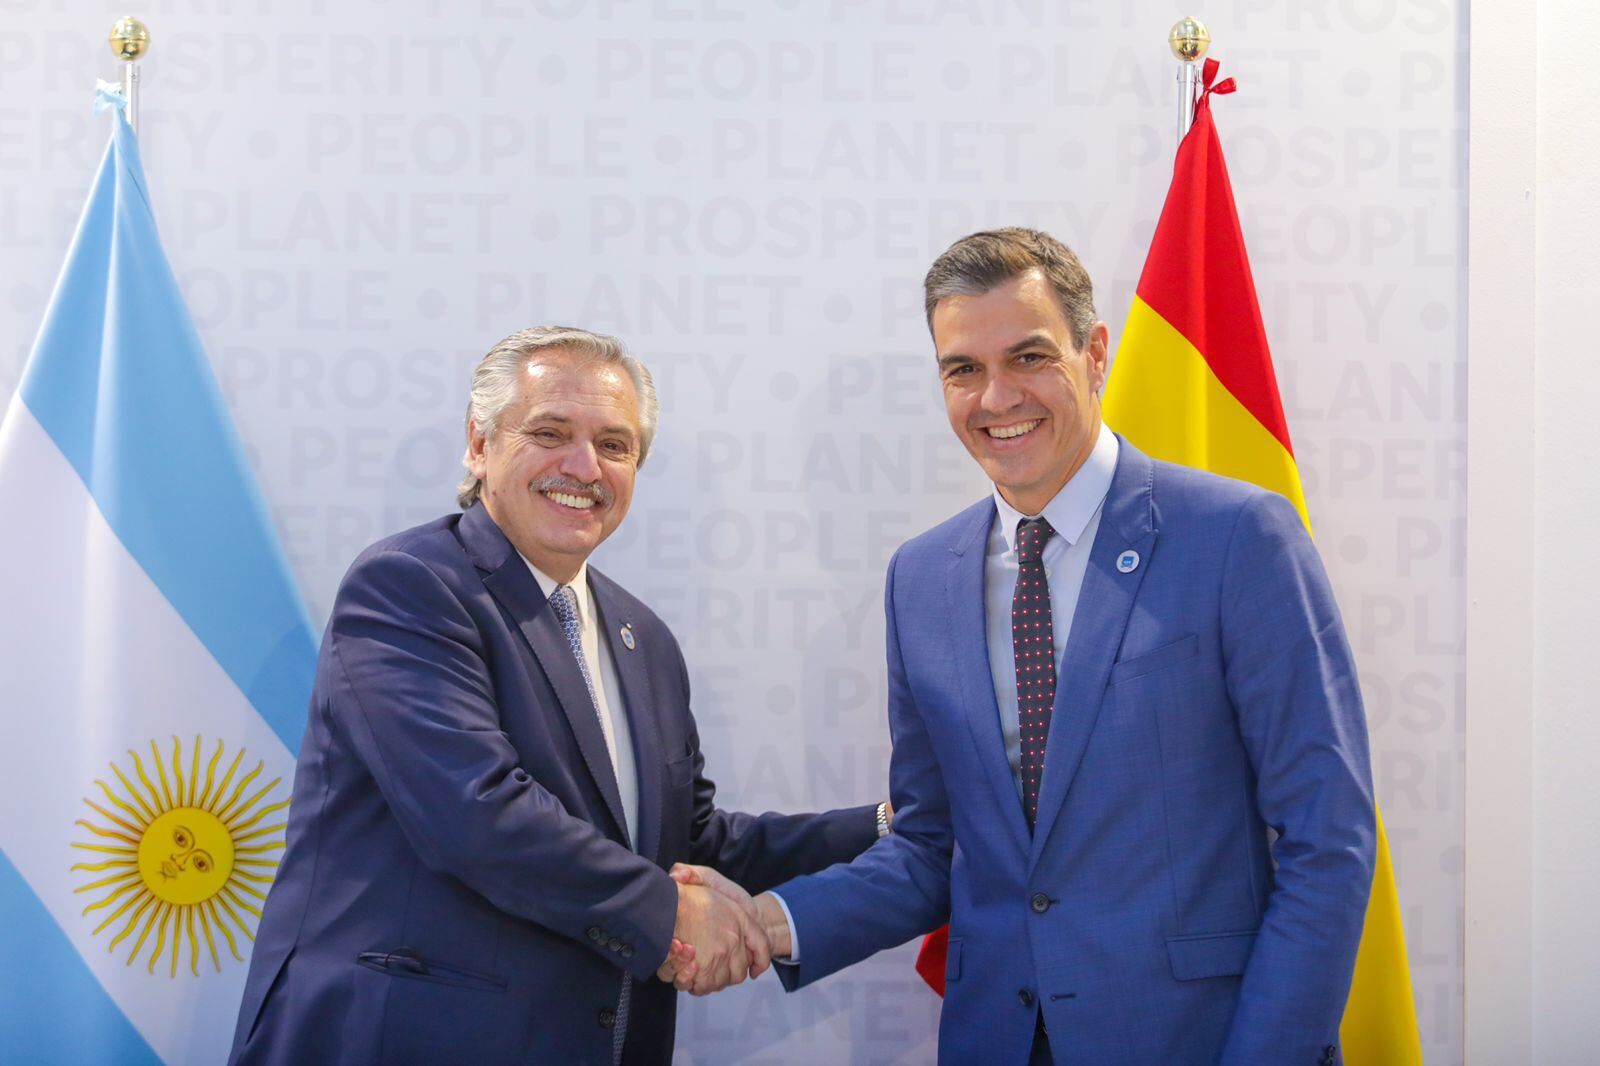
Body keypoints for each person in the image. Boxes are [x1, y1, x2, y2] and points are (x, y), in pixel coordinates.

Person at [704, 228, 1375, 1064]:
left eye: (1028, 357)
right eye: (963, 370)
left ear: (1095, 354)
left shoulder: (1238, 537)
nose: (996, 398)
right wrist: (771, 923)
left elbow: (1328, 837)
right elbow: (929, 845)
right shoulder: (921, 579)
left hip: (1194, 1041)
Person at [228, 326, 887, 1066]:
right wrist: (671, 915)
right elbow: (476, 814)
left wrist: (894, 825)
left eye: (615, 445)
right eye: (550, 432)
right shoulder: (410, 588)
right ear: (479, 446)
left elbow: (693, 844)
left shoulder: (647, 640)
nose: (584, 466)